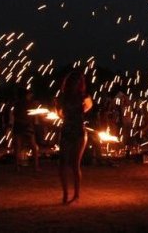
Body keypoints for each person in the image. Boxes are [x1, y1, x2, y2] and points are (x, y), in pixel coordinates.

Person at [57, 70, 93, 205]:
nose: (77, 83)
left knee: (74, 164)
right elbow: (60, 113)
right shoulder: (63, 97)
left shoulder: (84, 97)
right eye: (75, 81)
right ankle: (66, 194)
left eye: (79, 81)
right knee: (62, 164)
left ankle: (76, 196)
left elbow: (86, 109)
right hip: (67, 130)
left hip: (78, 131)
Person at [13, 89, 40, 171]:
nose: (30, 95)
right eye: (29, 94)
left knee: (18, 146)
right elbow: (32, 115)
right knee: (33, 146)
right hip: (27, 125)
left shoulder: (17, 103)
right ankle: (35, 166)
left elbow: (15, 114)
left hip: (18, 125)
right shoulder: (29, 103)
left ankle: (17, 166)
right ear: (26, 95)